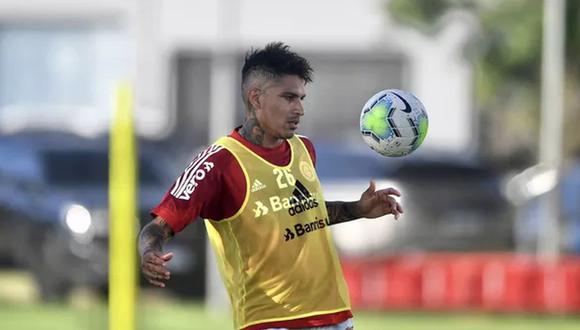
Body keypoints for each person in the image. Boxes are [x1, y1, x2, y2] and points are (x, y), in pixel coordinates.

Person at [138, 42, 403, 330]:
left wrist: (358, 209)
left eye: (301, 98)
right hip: (270, 321)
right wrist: (150, 253)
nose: (299, 109)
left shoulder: (304, 150)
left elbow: (300, 214)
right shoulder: (220, 163)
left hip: (334, 315)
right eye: (289, 97)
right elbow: (158, 226)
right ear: (256, 98)